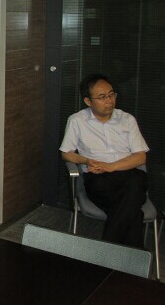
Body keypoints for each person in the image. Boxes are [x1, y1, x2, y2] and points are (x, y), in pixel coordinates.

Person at [60, 73, 149, 248]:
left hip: (128, 173)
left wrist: (110, 166)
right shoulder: (77, 121)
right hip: (98, 178)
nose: (109, 100)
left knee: (136, 182)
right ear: (88, 101)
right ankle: (129, 258)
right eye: (102, 97)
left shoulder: (127, 119)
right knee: (133, 210)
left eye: (111, 94)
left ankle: (105, 251)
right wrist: (86, 160)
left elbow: (140, 157)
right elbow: (66, 153)